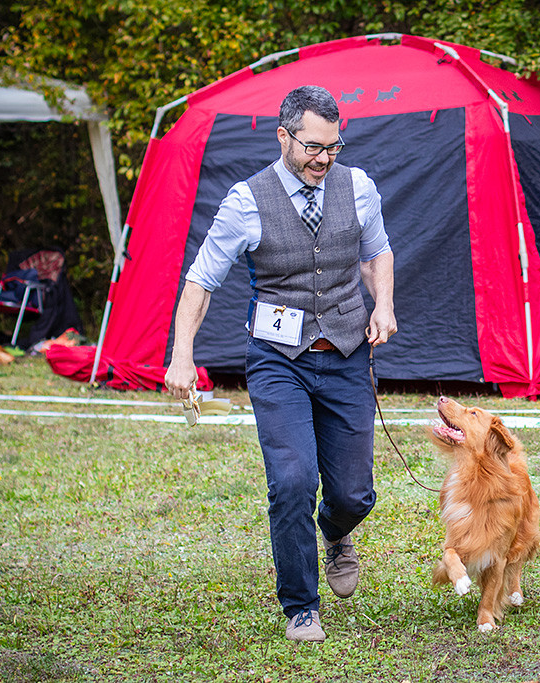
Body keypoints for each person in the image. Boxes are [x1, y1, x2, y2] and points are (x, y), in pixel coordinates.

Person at [164, 85, 397, 643]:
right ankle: (301, 605)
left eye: (333, 147)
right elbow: (200, 280)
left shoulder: (358, 186)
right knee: (291, 481)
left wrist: (384, 304)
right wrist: (181, 355)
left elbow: (376, 253)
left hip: (345, 353)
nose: (323, 158)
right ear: (283, 136)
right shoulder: (246, 201)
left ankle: (336, 531)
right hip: (278, 361)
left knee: (353, 494)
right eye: (312, 146)